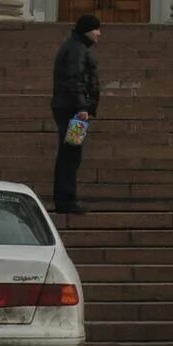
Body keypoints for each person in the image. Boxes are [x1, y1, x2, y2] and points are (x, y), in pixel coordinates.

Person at [50, 12, 102, 218]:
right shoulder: (77, 50)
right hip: (74, 112)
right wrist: (82, 108)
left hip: (70, 109)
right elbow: (75, 80)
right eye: (96, 29)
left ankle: (65, 198)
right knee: (71, 154)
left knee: (70, 152)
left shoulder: (75, 47)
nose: (99, 34)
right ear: (87, 31)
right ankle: (66, 199)